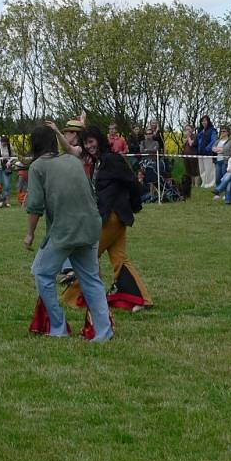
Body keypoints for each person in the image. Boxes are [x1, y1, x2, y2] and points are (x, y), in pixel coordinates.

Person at [24, 124, 113, 342]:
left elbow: (34, 206)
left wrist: (30, 234)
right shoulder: (73, 160)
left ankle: (58, 326)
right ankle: (103, 331)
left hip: (65, 230)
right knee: (91, 278)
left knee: (42, 273)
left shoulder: (37, 167)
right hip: (91, 226)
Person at [62, 127, 153, 313]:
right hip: (109, 216)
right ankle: (141, 299)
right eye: (86, 143)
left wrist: (135, 206)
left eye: (91, 141)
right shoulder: (98, 163)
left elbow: (131, 182)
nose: (89, 146)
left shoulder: (112, 159)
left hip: (112, 217)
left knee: (87, 257)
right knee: (120, 259)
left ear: (100, 140)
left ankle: (74, 298)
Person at [196, 115, 217, 188]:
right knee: (202, 169)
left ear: (208, 121)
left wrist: (207, 148)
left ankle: (210, 184)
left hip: (208, 153)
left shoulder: (212, 130)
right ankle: (204, 183)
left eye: (205, 120)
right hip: (200, 153)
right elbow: (198, 140)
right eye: (202, 121)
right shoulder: (200, 130)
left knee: (209, 169)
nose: (203, 122)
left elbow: (214, 140)